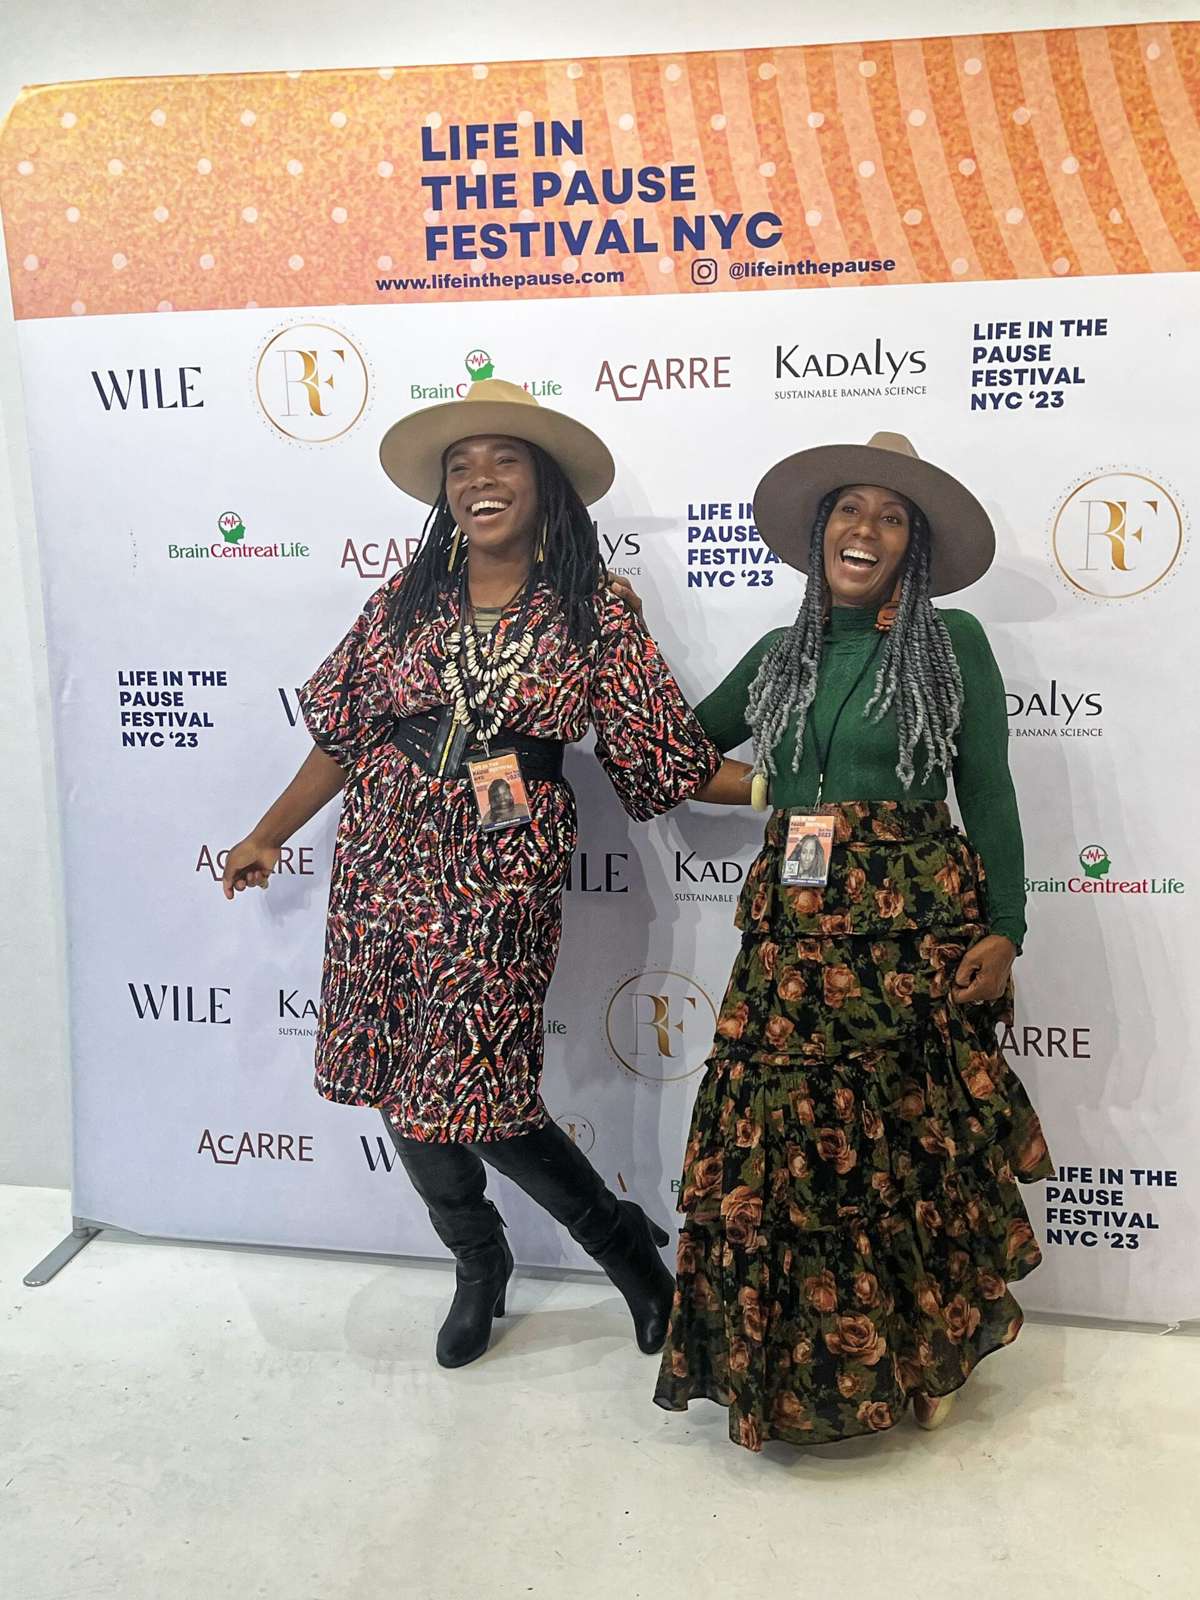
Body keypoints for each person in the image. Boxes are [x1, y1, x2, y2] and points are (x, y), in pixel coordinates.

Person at [220, 378, 728, 1370]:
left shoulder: (594, 611)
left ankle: (626, 1249)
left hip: (500, 872)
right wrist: (267, 832)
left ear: (544, 485)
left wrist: (801, 787)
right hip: (383, 857)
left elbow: (661, 757)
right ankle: (478, 1261)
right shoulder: (400, 603)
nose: (479, 479)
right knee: (394, 1071)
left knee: (479, 1088)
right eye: (461, 466)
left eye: (503, 460)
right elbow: (342, 733)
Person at [651, 431, 1053, 1450]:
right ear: (820, 530)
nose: (865, 529)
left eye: (891, 516)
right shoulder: (780, 655)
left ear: (915, 546)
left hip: (912, 931)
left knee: (907, 1149)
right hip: (792, 940)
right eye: (849, 509)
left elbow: (989, 790)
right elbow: (674, 755)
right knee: (792, 1151)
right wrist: (769, 787)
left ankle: (926, 1355)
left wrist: (1007, 926)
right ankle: (795, 1371)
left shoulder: (952, 642)